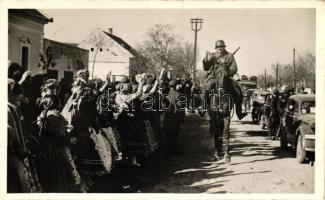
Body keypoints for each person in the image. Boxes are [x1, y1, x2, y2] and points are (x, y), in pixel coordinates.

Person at [202, 40, 247, 120]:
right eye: (218, 47)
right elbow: (206, 68)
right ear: (216, 48)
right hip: (214, 76)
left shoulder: (230, 56)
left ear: (224, 47)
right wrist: (205, 61)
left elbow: (234, 68)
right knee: (206, 88)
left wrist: (226, 71)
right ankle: (203, 108)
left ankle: (239, 112)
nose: (220, 48)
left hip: (226, 76)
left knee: (238, 91)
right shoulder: (213, 55)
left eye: (221, 47)